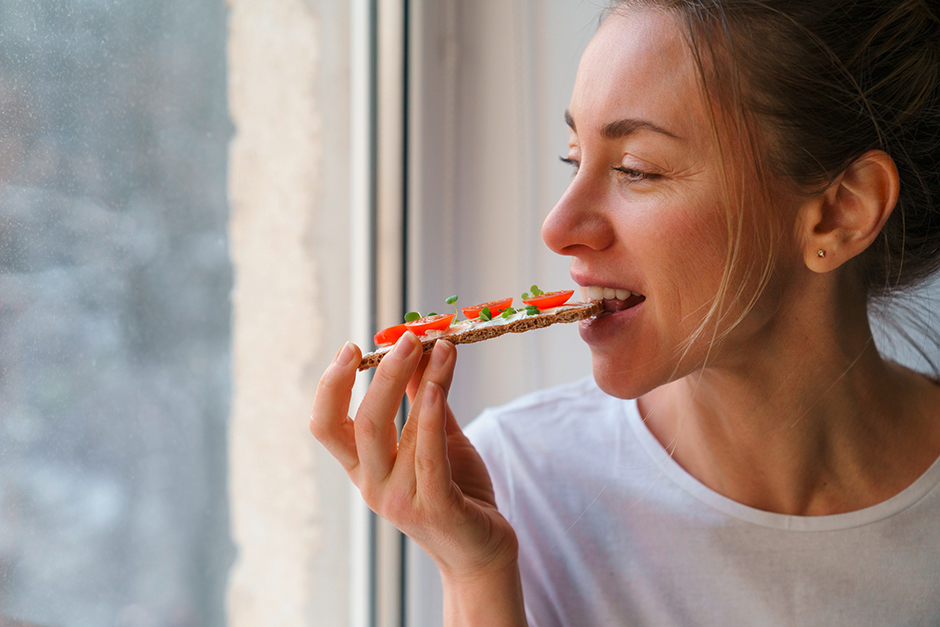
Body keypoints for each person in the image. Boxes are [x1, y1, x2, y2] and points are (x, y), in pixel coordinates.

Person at [311, 0, 940, 624]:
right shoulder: (512, 483)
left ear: (841, 212)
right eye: (571, 157)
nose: (557, 228)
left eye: (636, 169)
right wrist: (474, 573)